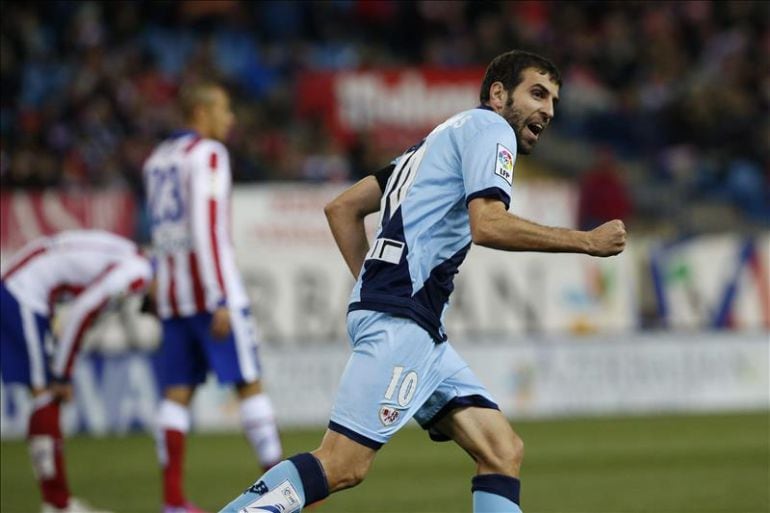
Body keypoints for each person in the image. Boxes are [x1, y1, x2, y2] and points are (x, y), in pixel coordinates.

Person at [218, 50, 627, 513]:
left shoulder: (435, 142)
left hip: (415, 326)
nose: (548, 110)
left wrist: (372, 285)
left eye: (553, 99)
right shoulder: (493, 129)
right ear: (498, 94)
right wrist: (585, 242)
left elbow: (342, 208)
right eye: (536, 93)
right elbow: (488, 223)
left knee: (501, 450)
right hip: (401, 318)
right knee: (343, 464)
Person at [142, 82, 283, 513]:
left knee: (176, 393)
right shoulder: (209, 154)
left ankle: (172, 501)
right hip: (212, 294)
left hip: (172, 295)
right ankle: (286, 490)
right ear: (200, 112)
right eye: (224, 109)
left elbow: (159, 232)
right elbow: (206, 229)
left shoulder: (156, 161)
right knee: (249, 384)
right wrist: (220, 296)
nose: (231, 118)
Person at [0, 230, 153, 513]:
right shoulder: (138, 273)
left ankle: (56, 501)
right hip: (23, 292)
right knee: (45, 392)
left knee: (43, 393)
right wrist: (63, 372)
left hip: (24, 288)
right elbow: (83, 309)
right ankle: (57, 505)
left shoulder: (132, 257)